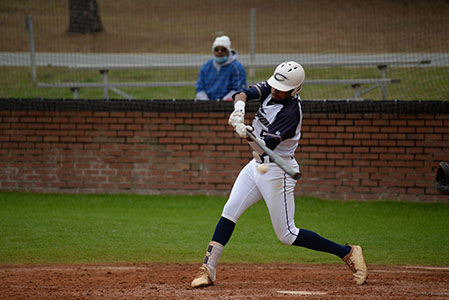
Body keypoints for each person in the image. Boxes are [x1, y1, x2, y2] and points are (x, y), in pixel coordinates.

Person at [191, 61, 368, 288]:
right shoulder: (273, 87)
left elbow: (265, 147)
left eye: (281, 90)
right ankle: (208, 270)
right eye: (274, 86)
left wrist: (246, 133)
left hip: (276, 171)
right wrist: (239, 110)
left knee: (287, 235)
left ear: (295, 90)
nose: (275, 90)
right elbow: (242, 93)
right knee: (229, 211)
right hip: (256, 166)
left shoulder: (291, 113)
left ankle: (348, 252)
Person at [195, 35, 247, 101]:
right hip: (207, 104)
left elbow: (238, 90)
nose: (219, 52)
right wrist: (206, 101)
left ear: (228, 51)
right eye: (216, 49)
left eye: (223, 49)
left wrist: (222, 102)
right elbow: (199, 88)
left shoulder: (237, 68)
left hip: (227, 104)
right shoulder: (205, 67)